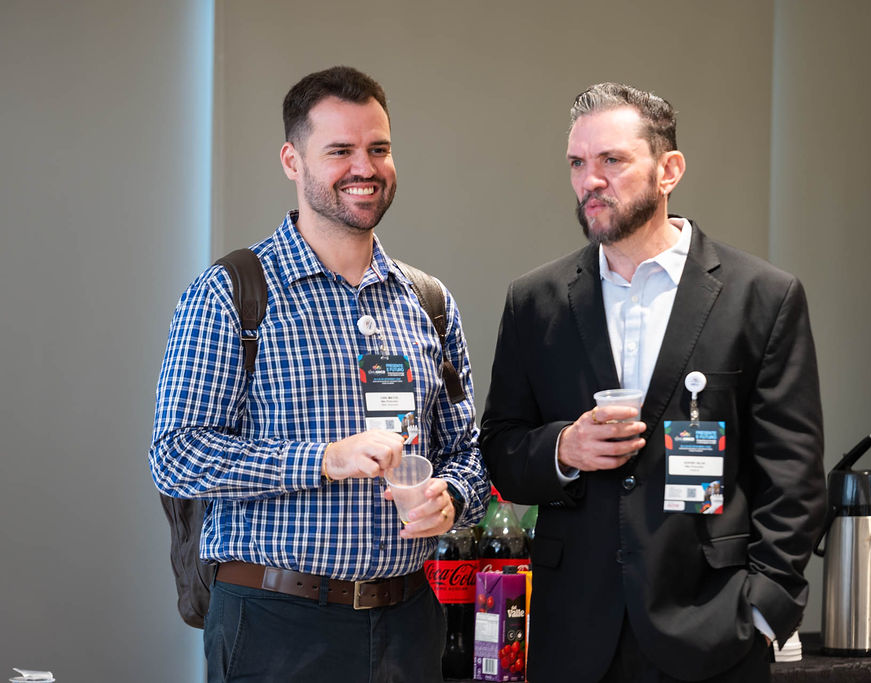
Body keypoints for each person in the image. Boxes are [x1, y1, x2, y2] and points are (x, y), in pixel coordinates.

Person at [149, 66, 489, 683]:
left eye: (378, 149)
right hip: (274, 625)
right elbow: (177, 457)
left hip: (410, 622)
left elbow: (467, 453)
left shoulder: (429, 302)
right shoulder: (232, 293)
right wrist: (325, 458)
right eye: (339, 151)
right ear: (292, 160)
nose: (365, 167)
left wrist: (452, 498)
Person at [480, 82, 825, 683]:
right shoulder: (535, 302)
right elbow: (501, 449)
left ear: (669, 171)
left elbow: (792, 477)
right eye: (577, 163)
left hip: (714, 632)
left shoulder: (761, 297)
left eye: (612, 160)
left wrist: (765, 611)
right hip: (574, 636)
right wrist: (563, 449)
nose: (590, 180)